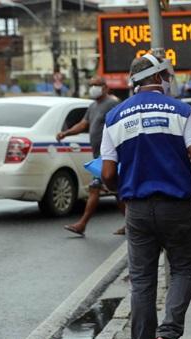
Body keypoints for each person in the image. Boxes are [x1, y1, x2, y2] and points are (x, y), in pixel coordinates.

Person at [100, 53, 191, 339]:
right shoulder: (181, 111)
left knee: (142, 281)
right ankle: (168, 334)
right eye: (167, 76)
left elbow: (108, 173)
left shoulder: (114, 116)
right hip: (177, 207)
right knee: (184, 268)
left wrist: (124, 191)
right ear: (158, 77)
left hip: (138, 209)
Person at [56, 76, 124, 236]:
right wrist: (66, 133)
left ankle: (82, 224)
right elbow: (83, 124)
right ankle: (132, 224)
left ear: (105, 87)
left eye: (96, 85)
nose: (93, 88)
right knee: (118, 193)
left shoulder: (112, 104)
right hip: (99, 155)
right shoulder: (93, 106)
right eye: (91, 85)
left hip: (109, 155)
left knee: (95, 188)